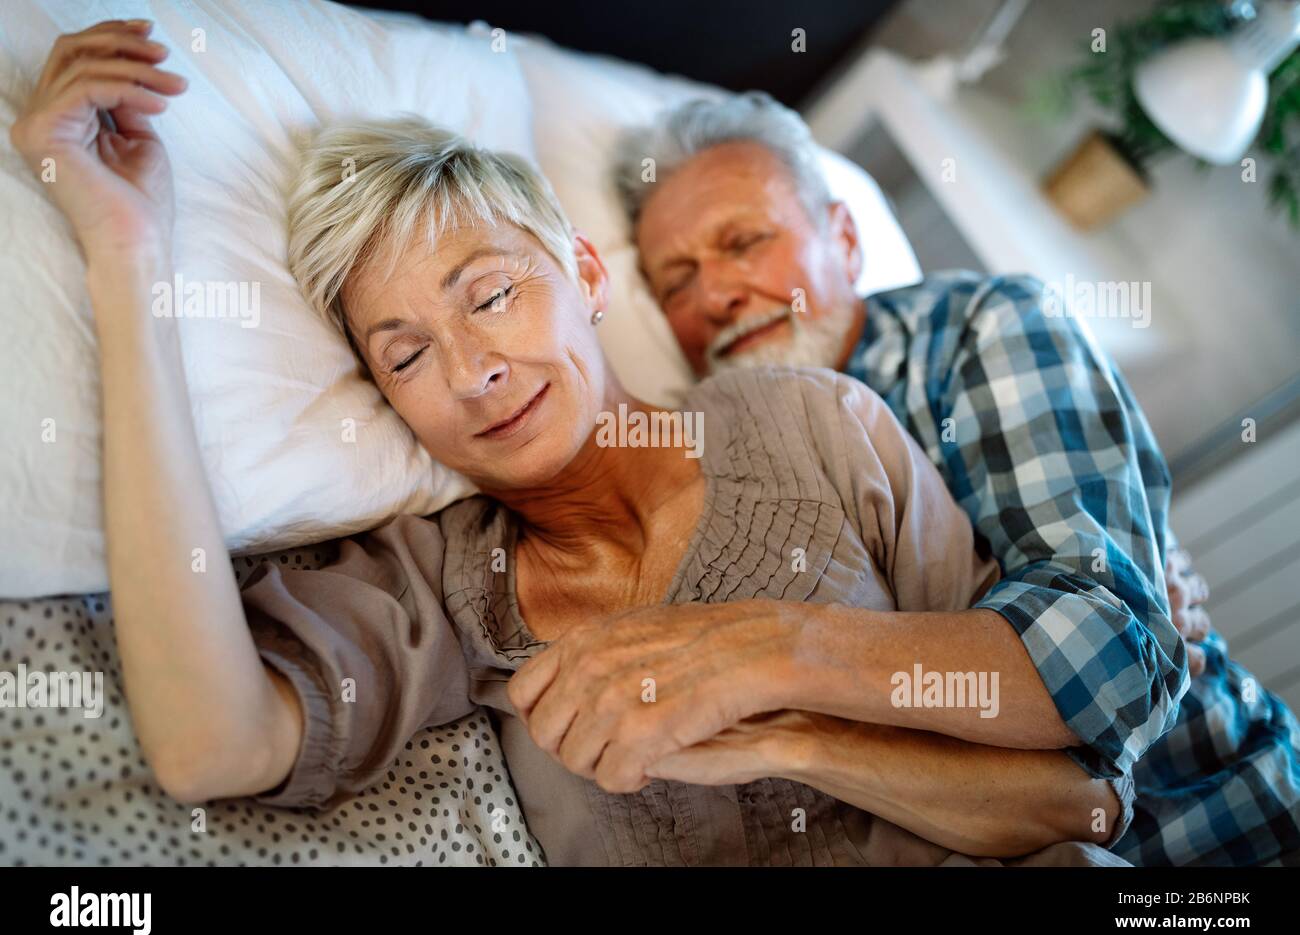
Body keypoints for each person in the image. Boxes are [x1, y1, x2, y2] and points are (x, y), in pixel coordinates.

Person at [10, 20, 1132, 866]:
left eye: (490, 294)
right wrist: (125, 260)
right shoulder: (445, 585)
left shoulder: (813, 419)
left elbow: (1076, 799)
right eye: (404, 355)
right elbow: (211, 745)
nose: (469, 370)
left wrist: (785, 731)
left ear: (586, 276)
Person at [612, 91, 1300, 866]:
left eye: (743, 241)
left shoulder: (986, 326)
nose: (712, 297)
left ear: (843, 239)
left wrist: (782, 655)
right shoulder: (697, 445)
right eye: (675, 283)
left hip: (1224, 818)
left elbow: (1106, 660)